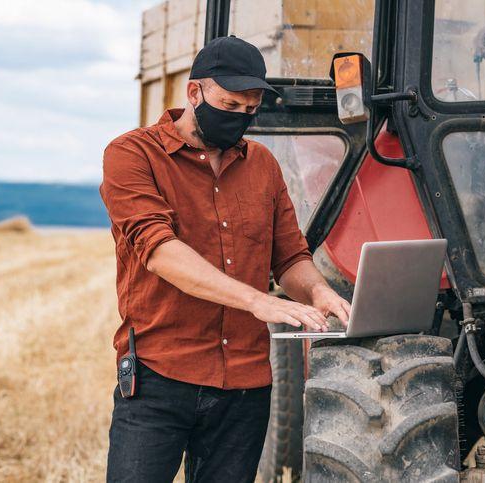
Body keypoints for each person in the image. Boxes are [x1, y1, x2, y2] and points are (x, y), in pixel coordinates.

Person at [100, 35, 351, 482]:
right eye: (230, 104)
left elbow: (290, 257)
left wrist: (318, 291)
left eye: (251, 108)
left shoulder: (264, 165)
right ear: (195, 92)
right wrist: (258, 302)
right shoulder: (133, 153)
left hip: (245, 387)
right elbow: (159, 251)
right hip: (159, 378)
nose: (240, 117)